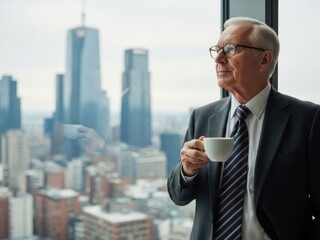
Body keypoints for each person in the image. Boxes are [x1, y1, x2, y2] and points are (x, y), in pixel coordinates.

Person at [167, 16, 320, 240]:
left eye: (230, 49)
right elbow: (178, 196)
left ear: (264, 60)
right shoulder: (202, 116)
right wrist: (187, 170)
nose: (218, 59)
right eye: (216, 50)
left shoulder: (308, 119)